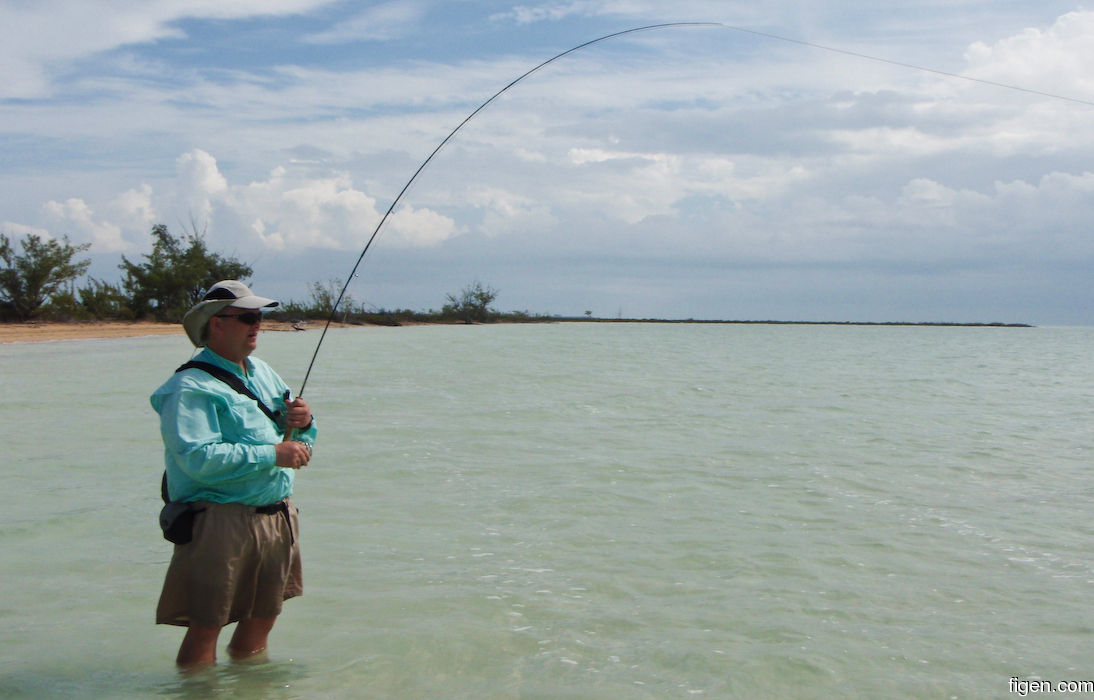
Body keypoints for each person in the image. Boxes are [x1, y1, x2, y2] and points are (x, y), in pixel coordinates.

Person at [150, 280, 317, 668]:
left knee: (265, 617)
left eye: (258, 316)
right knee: (207, 625)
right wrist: (273, 453)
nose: (256, 324)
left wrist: (305, 423)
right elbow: (198, 458)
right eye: (246, 317)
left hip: (277, 515)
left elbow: (299, 437)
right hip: (219, 520)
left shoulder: (264, 373)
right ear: (216, 324)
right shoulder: (187, 387)